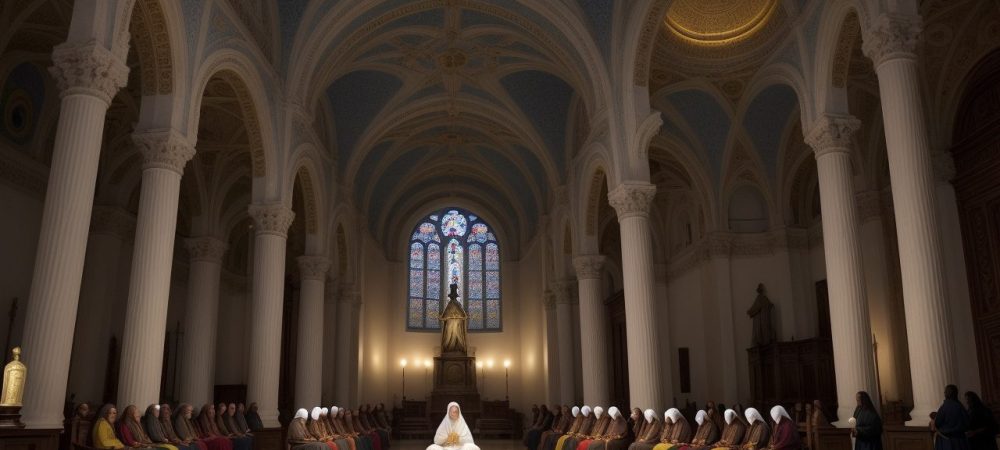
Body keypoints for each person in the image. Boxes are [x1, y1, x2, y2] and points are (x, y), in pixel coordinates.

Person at [935, 385, 972, 450]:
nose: (944, 393)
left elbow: (937, 423)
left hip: (946, 441)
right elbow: (967, 423)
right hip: (960, 440)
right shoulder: (960, 406)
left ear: (947, 393)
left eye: (945, 392)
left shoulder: (944, 407)